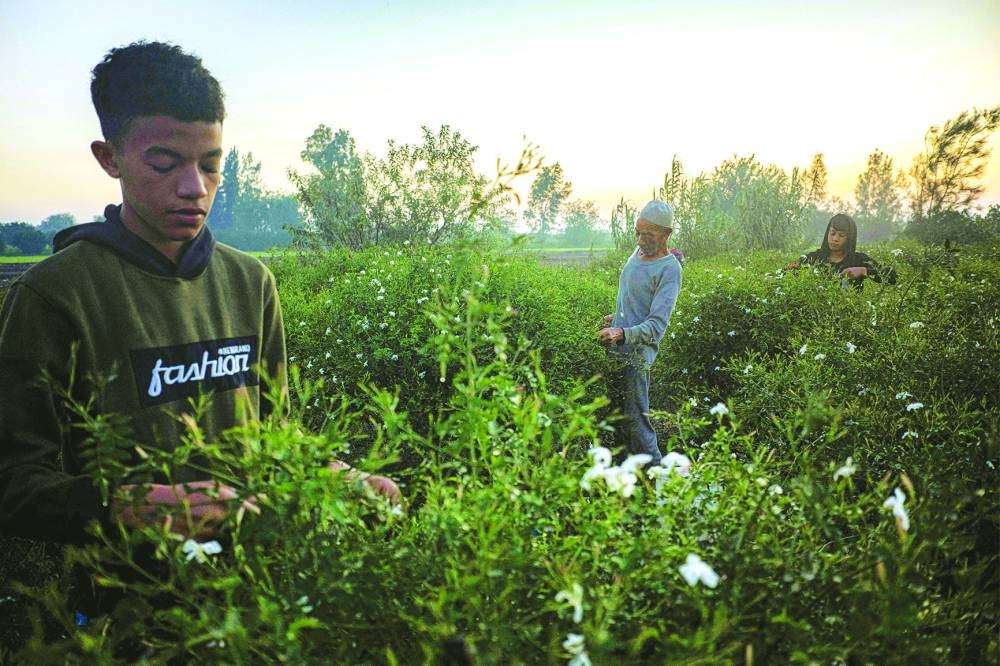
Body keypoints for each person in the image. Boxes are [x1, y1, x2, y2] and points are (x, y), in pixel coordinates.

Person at [0, 41, 398, 548]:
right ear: (110, 158)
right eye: (164, 164)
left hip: (260, 592)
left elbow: (276, 435)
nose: (195, 188)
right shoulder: (55, 295)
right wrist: (126, 506)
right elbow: (14, 485)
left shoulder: (251, 282)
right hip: (130, 605)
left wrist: (339, 475)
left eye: (211, 165)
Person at [598, 200, 682, 459]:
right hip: (616, 351)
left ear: (666, 234)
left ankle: (656, 478)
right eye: (638, 232)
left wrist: (621, 333)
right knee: (616, 420)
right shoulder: (637, 253)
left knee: (637, 423)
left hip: (636, 357)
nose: (640, 239)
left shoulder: (669, 269)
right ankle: (627, 482)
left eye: (648, 234)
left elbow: (656, 326)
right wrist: (616, 317)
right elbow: (635, 297)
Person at [785, 213, 896, 287]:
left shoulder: (858, 260)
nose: (835, 239)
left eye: (841, 235)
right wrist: (791, 270)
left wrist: (864, 271)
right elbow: (786, 273)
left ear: (849, 238)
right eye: (832, 233)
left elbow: (892, 277)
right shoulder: (813, 258)